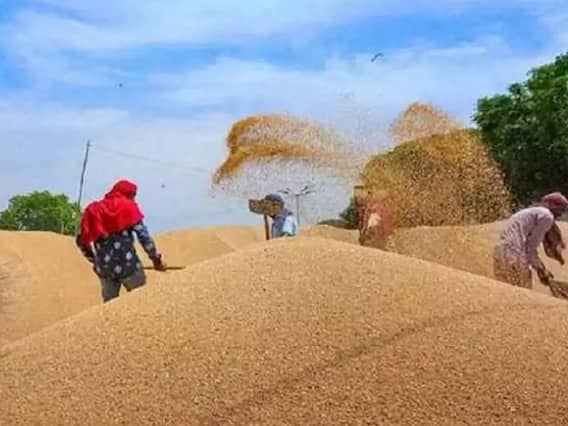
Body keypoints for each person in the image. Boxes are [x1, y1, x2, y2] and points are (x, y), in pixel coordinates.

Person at [76, 179, 167, 303]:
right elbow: (144, 237)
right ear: (128, 194)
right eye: (133, 196)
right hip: (129, 266)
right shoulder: (129, 206)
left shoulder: (93, 210)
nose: (134, 200)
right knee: (141, 303)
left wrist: (95, 260)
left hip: (105, 270)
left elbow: (81, 241)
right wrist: (156, 260)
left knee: (109, 307)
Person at [493, 192, 568, 289]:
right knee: (523, 290)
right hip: (513, 254)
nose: (560, 214)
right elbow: (530, 248)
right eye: (561, 209)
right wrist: (541, 268)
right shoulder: (547, 216)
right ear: (553, 206)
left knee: (504, 289)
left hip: (500, 251)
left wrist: (539, 268)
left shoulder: (531, 212)